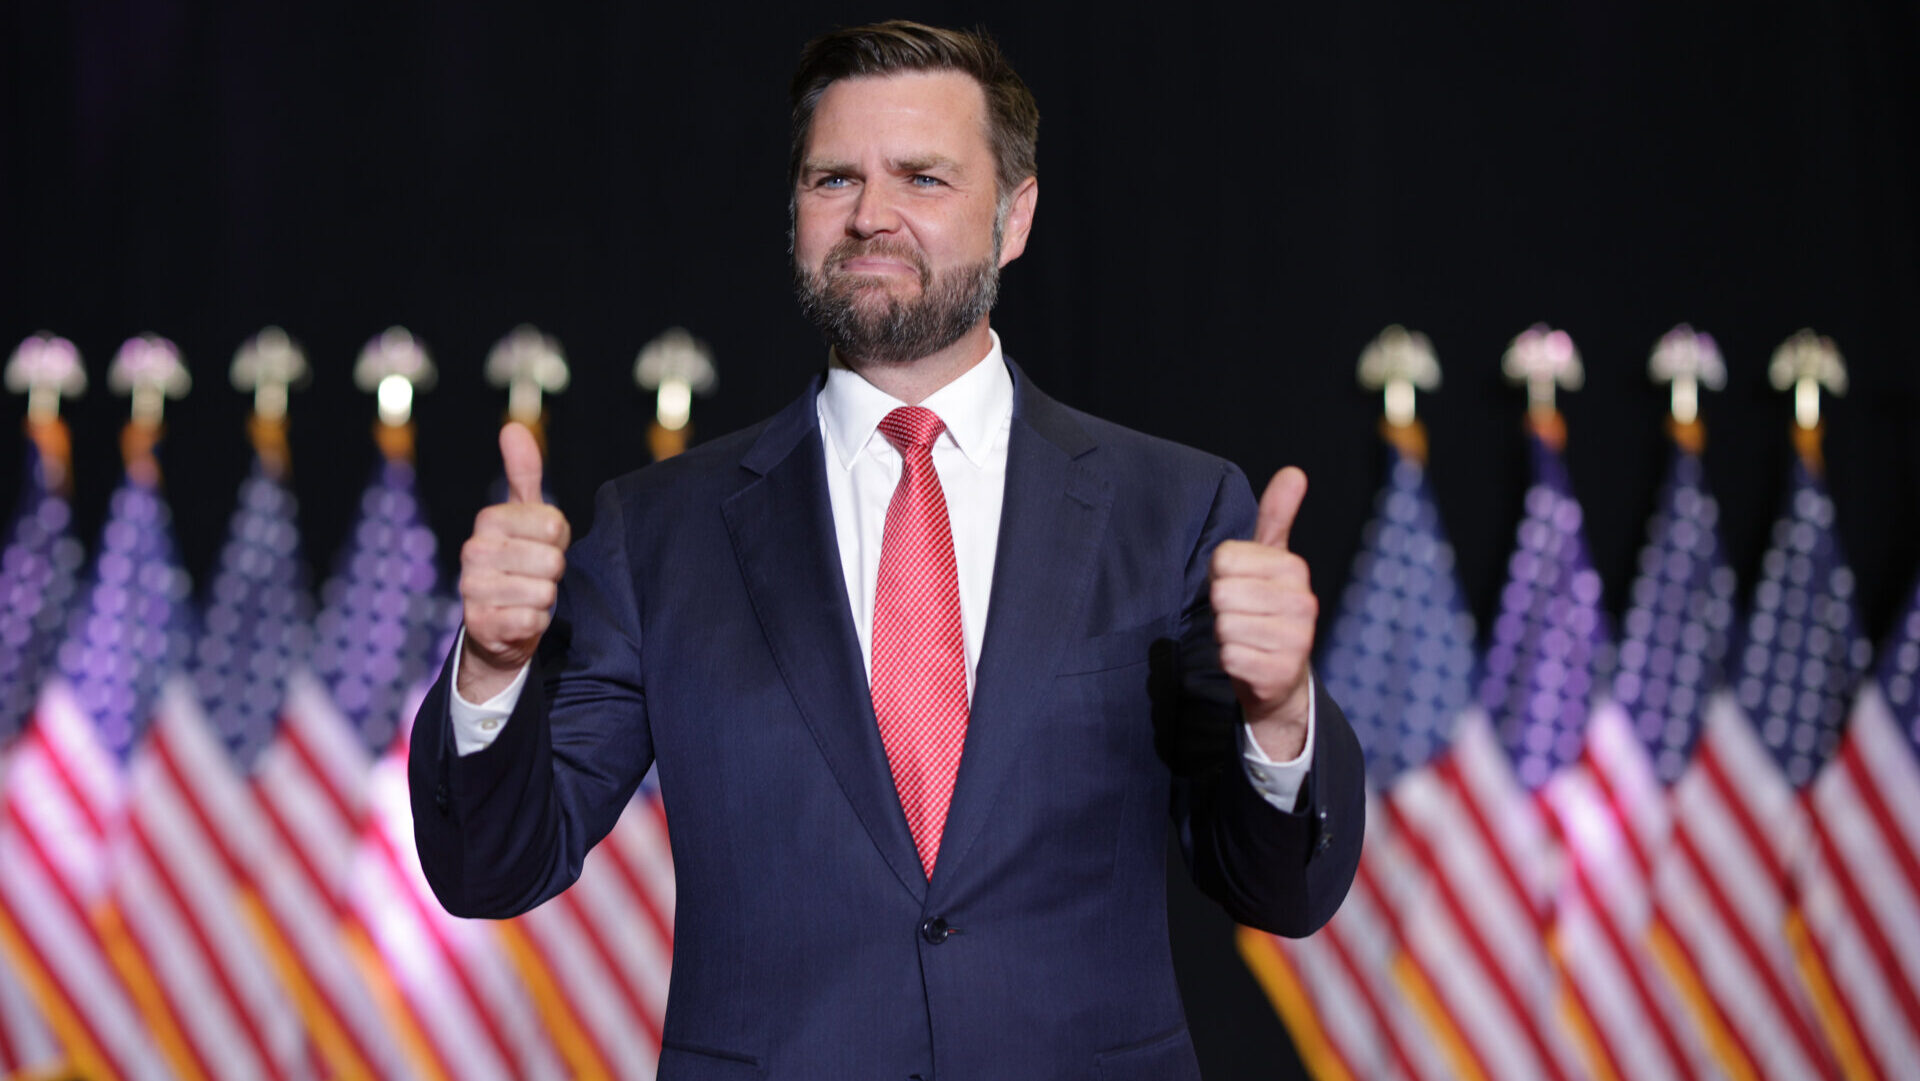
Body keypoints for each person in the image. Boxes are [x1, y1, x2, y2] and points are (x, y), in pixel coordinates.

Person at [411, 19, 1362, 1080]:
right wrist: (493, 674)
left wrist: (1279, 715)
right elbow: (491, 868)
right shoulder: (659, 531)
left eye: (922, 177)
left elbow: (1282, 889)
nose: (872, 215)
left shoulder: (1174, 509)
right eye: (833, 179)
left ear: (1016, 217)